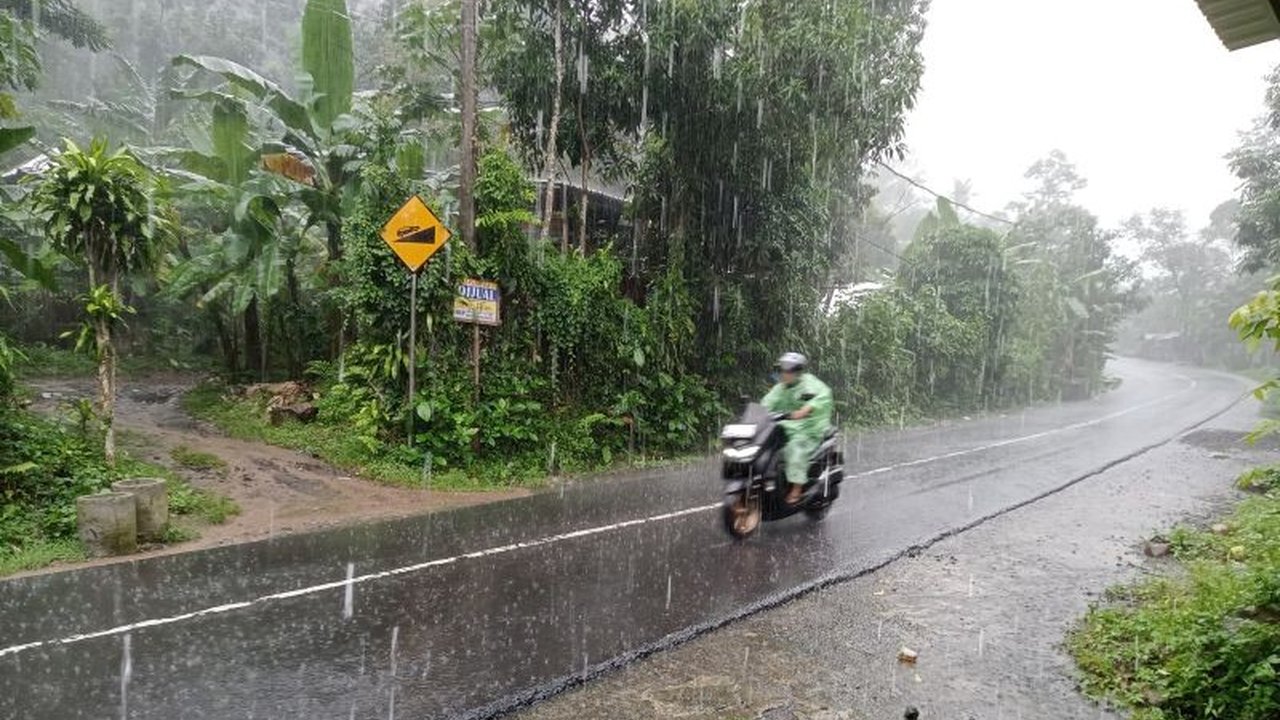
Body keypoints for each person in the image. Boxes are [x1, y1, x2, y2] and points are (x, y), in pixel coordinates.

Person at [762, 352, 834, 505]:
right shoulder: (780, 388)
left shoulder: (809, 383)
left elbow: (824, 395)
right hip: (786, 425)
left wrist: (808, 408)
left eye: (789, 370)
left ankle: (796, 489)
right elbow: (766, 404)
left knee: (795, 449)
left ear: (798, 371)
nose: (785, 373)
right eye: (782, 369)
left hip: (809, 428)